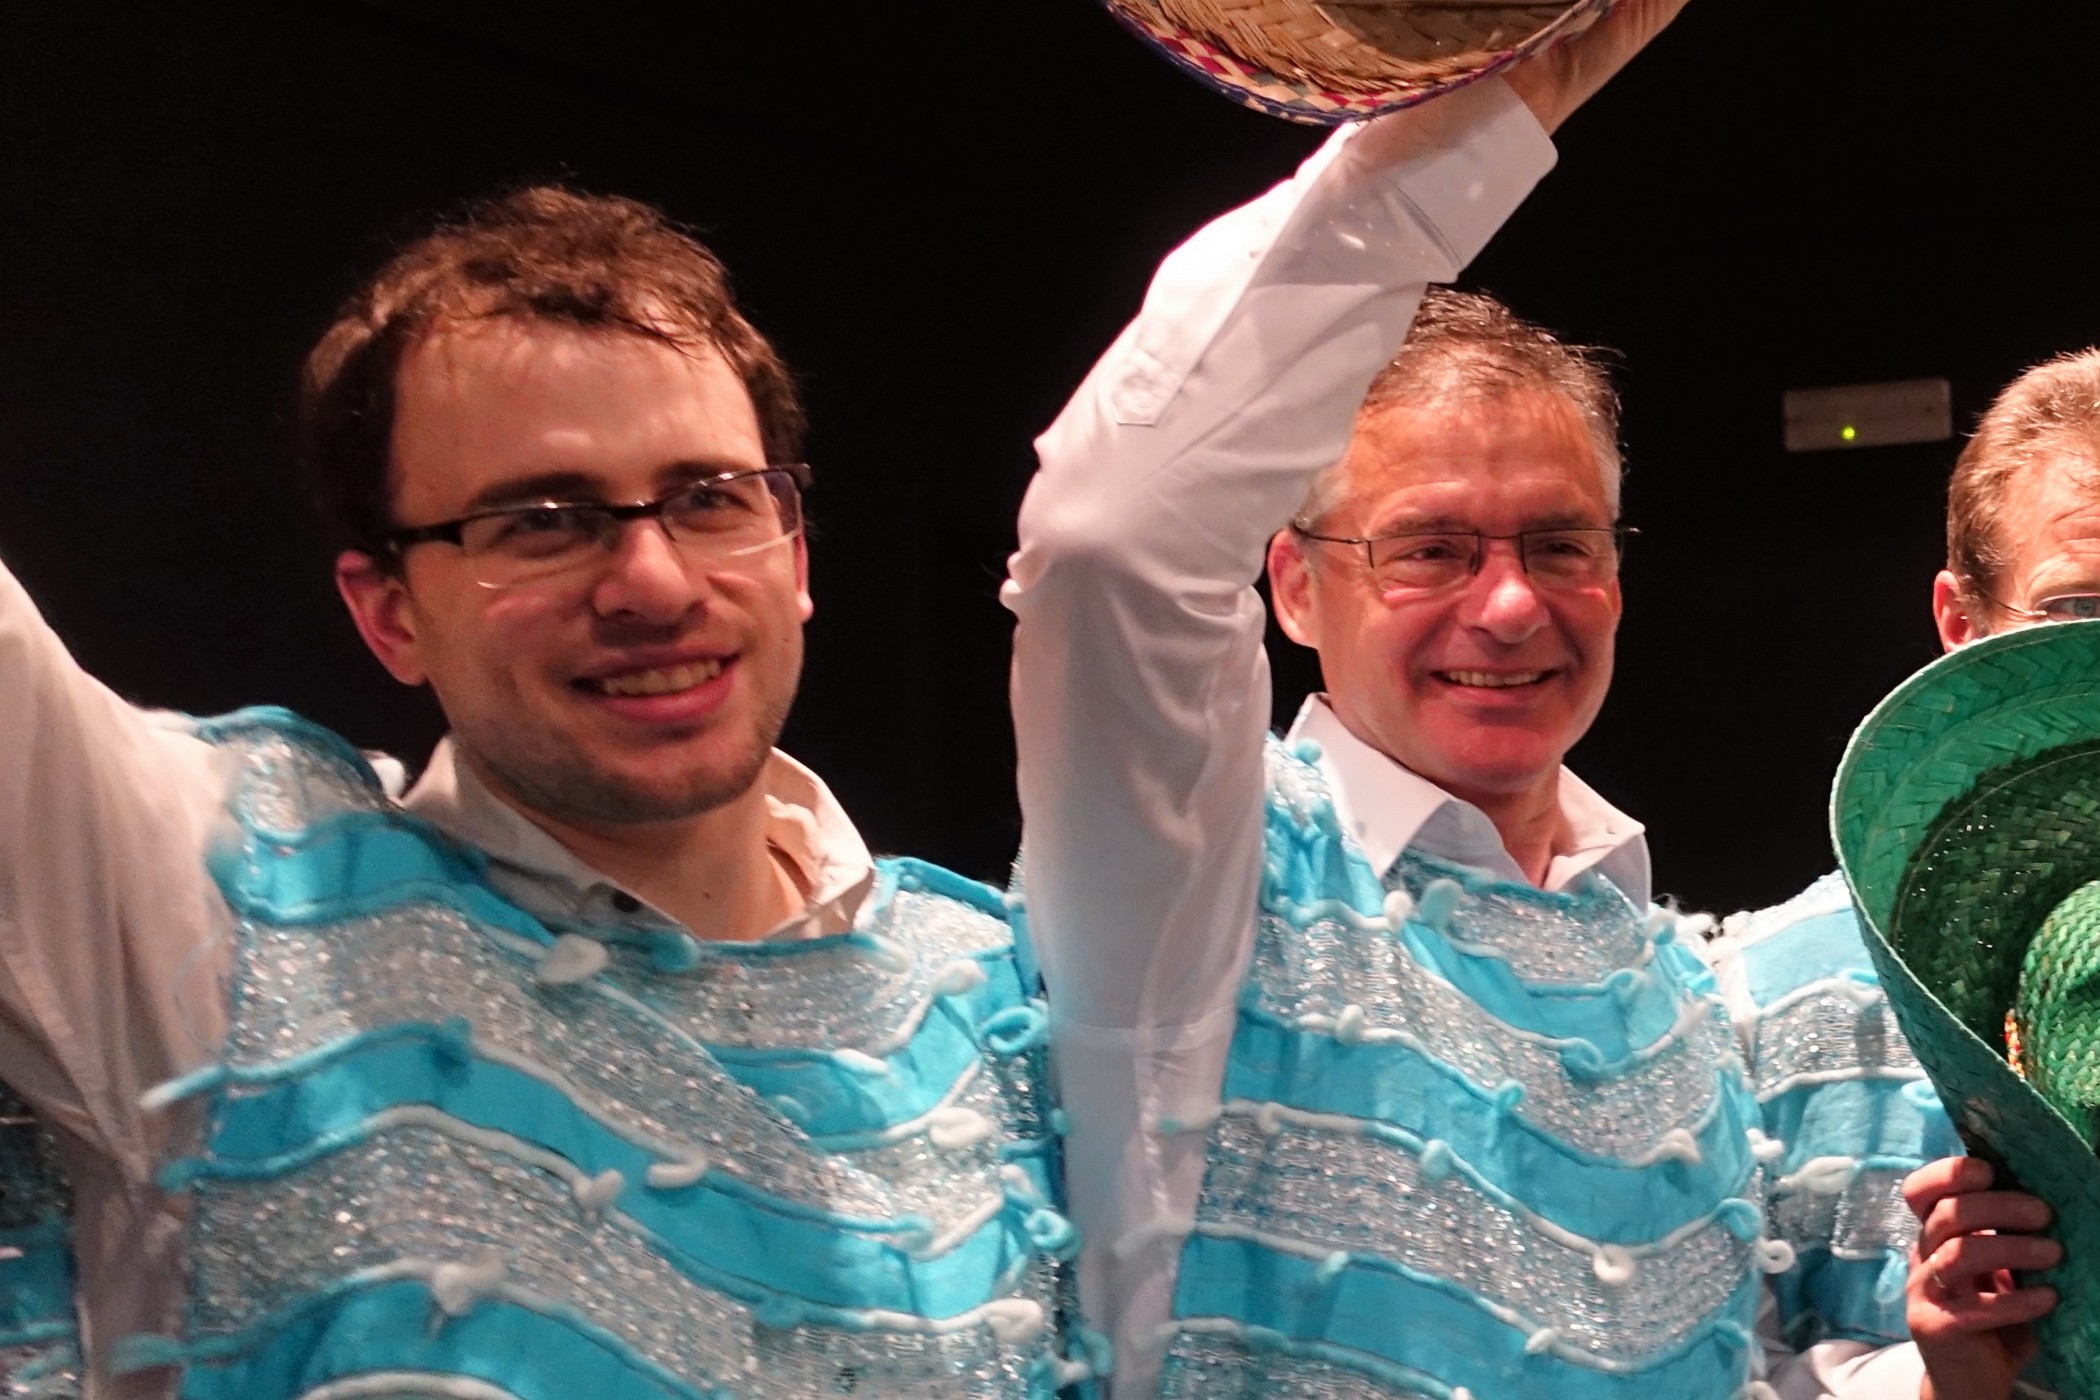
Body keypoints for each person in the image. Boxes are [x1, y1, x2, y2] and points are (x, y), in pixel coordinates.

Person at [1005, 0, 1954, 1391]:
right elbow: (1106, 539)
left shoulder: (1672, 970)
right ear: (1293, 586)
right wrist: (1484, 119)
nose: (1509, 607)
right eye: (1431, 549)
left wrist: (1943, 1374)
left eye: (1559, 544)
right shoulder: (1203, 880)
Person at [0, 189, 1085, 1398]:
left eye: (709, 498)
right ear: (390, 612)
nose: (654, 583)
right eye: (543, 521)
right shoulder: (228, 912)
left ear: (794, 556)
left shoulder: (994, 993)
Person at [1743, 352, 2100, 1400]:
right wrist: (1939, 1385)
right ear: (1960, 624)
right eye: (2079, 608)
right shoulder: (1761, 999)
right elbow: (1705, 1366)